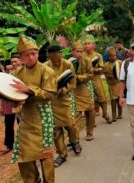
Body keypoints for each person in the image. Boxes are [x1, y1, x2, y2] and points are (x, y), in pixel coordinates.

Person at [11, 36, 56, 183]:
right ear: (22, 57)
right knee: (23, 155)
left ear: (38, 53)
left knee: (46, 154)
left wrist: (29, 89)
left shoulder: (46, 71)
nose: (31, 57)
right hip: (26, 118)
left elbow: (50, 94)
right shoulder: (17, 73)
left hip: (43, 117)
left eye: (34, 53)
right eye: (27, 55)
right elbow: (13, 93)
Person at [45, 45, 82, 167]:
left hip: (64, 99)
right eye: (54, 56)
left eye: (59, 55)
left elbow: (73, 83)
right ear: (49, 56)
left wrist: (63, 90)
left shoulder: (68, 64)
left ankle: (74, 141)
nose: (57, 59)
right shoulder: (45, 66)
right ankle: (62, 154)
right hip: (51, 101)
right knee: (56, 129)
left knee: (70, 124)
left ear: (61, 53)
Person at [83, 35, 112, 124]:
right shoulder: (82, 56)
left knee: (101, 97)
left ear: (93, 45)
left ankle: (105, 114)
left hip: (96, 78)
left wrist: (92, 70)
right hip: (86, 80)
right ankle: (91, 122)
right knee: (88, 99)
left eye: (89, 43)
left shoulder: (98, 56)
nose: (87, 45)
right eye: (86, 44)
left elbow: (102, 68)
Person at [71, 41, 95, 141]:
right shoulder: (69, 62)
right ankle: (75, 137)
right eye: (77, 51)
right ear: (72, 52)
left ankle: (90, 132)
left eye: (81, 51)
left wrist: (79, 77)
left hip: (86, 87)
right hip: (74, 89)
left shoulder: (87, 60)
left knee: (90, 110)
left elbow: (90, 74)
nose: (79, 53)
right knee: (76, 113)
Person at [104, 47, 123, 121]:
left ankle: (120, 114)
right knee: (113, 101)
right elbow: (105, 74)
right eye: (111, 56)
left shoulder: (119, 62)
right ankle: (114, 116)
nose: (113, 57)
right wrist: (110, 76)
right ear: (108, 57)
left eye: (114, 56)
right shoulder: (106, 65)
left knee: (119, 99)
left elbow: (123, 72)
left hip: (118, 84)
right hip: (111, 85)